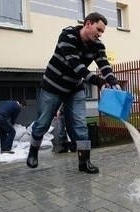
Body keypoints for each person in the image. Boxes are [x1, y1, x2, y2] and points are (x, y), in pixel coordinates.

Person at [26, 12, 120, 174]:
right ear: (88, 23)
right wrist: (99, 82)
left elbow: (104, 64)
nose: (100, 34)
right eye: (98, 29)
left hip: (74, 89)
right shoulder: (67, 36)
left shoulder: (97, 45)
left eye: (102, 32)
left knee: (80, 125)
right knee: (42, 124)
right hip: (52, 87)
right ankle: (33, 153)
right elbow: (76, 66)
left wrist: (112, 81)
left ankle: (84, 162)